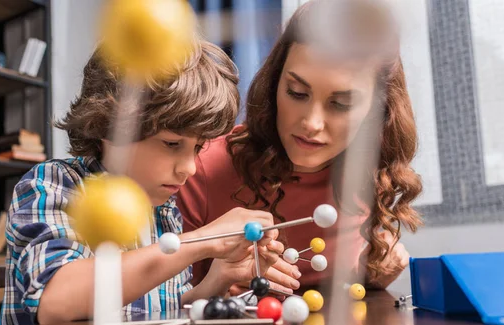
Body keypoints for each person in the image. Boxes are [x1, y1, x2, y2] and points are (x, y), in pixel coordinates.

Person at [0, 40, 284, 325]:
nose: (189, 168)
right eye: (172, 143)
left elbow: (160, 310)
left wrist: (218, 278)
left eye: (198, 148)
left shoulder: (162, 210)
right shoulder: (54, 185)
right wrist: (201, 241)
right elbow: (56, 301)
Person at [178, 0, 422, 295]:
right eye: (297, 92)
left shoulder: (369, 175)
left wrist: (373, 277)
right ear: (275, 82)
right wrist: (216, 285)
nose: (311, 123)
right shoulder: (199, 168)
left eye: (341, 104)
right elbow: (158, 308)